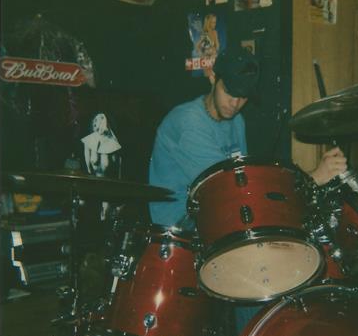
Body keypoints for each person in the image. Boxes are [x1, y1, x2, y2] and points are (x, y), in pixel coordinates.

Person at [149, 46, 347, 228]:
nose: (235, 103)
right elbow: (231, 189)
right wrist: (311, 179)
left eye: (243, 96)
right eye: (229, 92)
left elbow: (243, 177)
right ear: (213, 78)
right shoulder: (188, 123)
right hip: (182, 225)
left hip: (218, 212)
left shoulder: (236, 121)